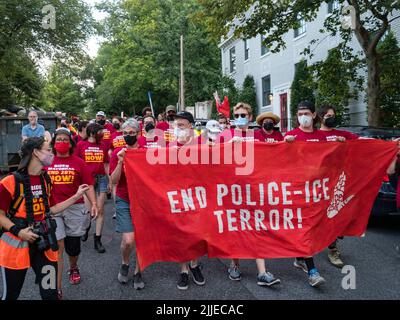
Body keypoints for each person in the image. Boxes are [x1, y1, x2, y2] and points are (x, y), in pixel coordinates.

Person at [0, 137, 89, 300]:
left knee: (50, 294)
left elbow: (52, 209)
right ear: (35, 152)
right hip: (15, 247)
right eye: (48, 150)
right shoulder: (10, 181)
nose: (52, 153)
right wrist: (18, 231)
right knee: (11, 295)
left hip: (44, 244)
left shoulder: (46, 179)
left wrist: (76, 196)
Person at [223, 103, 281, 287]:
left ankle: (262, 272)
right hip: (231, 189)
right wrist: (228, 145)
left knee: (257, 227)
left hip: (253, 189)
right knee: (233, 229)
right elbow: (211, 156)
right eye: (237, 114)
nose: (240, 117)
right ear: (233, 116)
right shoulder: (226, 135)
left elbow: (273, 154)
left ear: (250, 117)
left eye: (244, 114)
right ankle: (234, 265)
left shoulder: (257, 135)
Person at [46, 128, 98, 299]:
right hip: (54, 209)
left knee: (73, 246)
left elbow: (88, 184)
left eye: (64, 139)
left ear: (70, 143)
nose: (61, 142)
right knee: (58, 247)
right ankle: (57, 289)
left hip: (76, 208)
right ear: (53, 143)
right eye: (58, 139)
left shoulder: (78, 162)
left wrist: (94, 204)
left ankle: (73, 266)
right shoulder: (47, 162)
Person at [284, 101, 326, 287]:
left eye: (306, 113)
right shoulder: (291, 135)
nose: (303, 116)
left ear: (314, 114)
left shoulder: (321, 136)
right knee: (305, 228)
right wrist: (285, 145)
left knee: (310, 227)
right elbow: (277, 160)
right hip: (297, 190)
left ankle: (300, 257)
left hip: (316, 190)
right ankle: (312, 271)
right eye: (300, 113)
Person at [168, 111, 206, 290]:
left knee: (196, 233)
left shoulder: (201, 145)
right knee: (181, 234)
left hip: (198, 197)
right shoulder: (169, 147)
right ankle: (183, 269)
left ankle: (194, 264)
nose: (178, 129)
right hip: (177, 197)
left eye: (181, 125)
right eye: (176, 125)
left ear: (191, 126)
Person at [318, 105, 358, 267]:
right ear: (321, 117)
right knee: (316, 217)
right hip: (317, 183)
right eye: (328, 115)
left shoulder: (342, 135)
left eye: (333, 115)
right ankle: (304, 251)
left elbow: (364, 144)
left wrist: (390, 145)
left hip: (337, 183)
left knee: (335, 216)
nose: (332, 118)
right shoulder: (314, 135)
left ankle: (333, 250)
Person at [110, 119, 145, 290]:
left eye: (132, 133)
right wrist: (120, 162)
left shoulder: (145, 153)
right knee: (128, 240)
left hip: (144, 201)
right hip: (124, 199)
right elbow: (114, 181)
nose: (128, 136)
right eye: (125, 133)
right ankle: (125, 262)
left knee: (141, 239)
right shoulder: (117, 152)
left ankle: (138, 271)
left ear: (139, 134)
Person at [75, 123, 110, 253]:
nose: (102, 134)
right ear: (91, 133)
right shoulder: (80, 145)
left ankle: (97, 239)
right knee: (89, 210)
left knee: (100, 210)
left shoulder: (103, 145)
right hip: (87, 181)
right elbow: (76, 164)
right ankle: (87, 227)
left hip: (101, 179)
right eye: (99, 132)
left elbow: (106, 164)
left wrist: (110, 180)